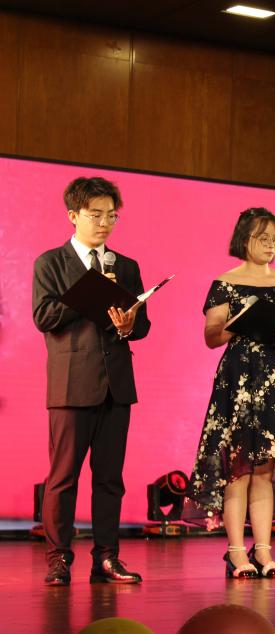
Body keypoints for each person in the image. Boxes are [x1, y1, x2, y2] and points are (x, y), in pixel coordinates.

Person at [33, 176, 151, 586]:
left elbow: (142, 326)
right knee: (63, 478)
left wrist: (129, 325)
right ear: (73, 215)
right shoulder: (51, 263)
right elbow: (44, 317)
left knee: (109, 480)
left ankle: (106, 558)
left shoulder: (126, 266)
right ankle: (58, 560)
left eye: (111, 216)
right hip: (70, 385)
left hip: (116, 385)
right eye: (96, 215)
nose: (104, 223)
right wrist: (88, 292)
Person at [186, 208, 275, 579]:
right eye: (263, 238)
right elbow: (212, 337)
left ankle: (264, 551)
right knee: (238, 468)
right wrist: (238, 324)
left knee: (265, 468)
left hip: (274, 377)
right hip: (237, 378)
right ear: (245, 239)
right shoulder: (226, 283)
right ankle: (236, 553)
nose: (271, 246)